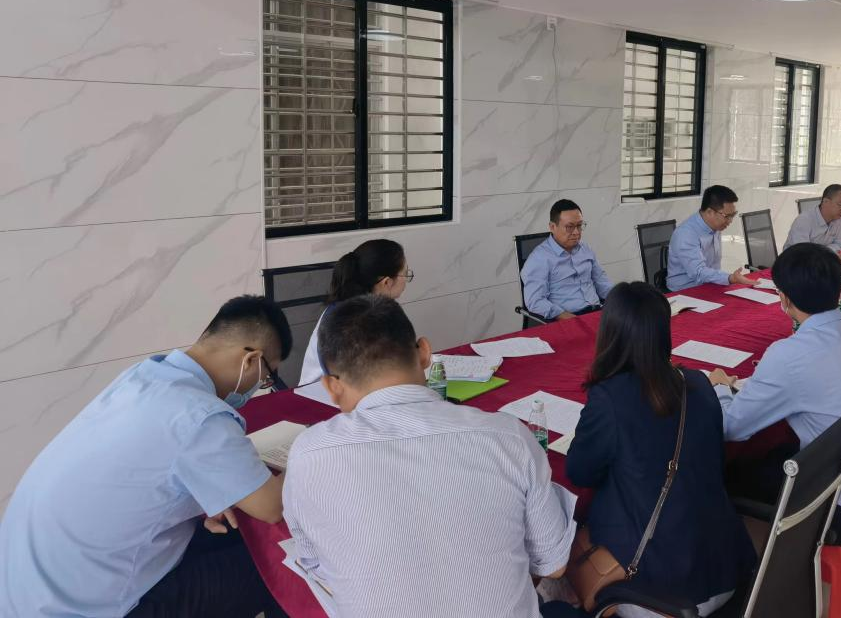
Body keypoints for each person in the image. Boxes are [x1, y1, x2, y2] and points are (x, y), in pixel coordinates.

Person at [283, 295, 578, 618]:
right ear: (425, 352)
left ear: (331, 385)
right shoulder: (509, 438)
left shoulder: (307, 455)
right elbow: (553, 565)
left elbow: (315, 564)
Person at [0, 296, 292, 618]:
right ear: (251, 360)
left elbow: (143, 470)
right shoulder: (200, 415)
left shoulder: (142, 376)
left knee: (225, 534)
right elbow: (271, 507)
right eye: (266, 377)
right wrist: (308, 451)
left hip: (25, 590)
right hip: (85, 609)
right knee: (279, 561)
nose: (259, 387)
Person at [567, 282, 756, 617]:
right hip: (726, 570)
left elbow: (579, 473)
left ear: (609, 334)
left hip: (659, 593)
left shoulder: (609, 398)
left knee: (563, 557)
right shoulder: (698, 382)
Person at [708, 243, 841, 546]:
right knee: (779, 451)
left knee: (724, 472)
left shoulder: (790, 354)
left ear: (784, 298)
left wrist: (721, 386)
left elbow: (731, 428)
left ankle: (745, 563)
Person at [296, 238, 410, 406]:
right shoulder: (351, 322)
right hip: (324, 403)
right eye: (405, 274)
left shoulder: (366, 309)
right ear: (387, 282)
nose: (407, 279)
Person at [521, 199, 614, 321]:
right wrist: (566, 317)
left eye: (579, 226)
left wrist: (622, 301)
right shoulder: (539, 258)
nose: (576, 232)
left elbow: (602, 283)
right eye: (570, 227)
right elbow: (535, 301)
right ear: (552, 227)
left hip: (597, 312)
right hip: (568, 318)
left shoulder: (585, 249)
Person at [666, 184, 755, 291]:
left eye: (733, 215)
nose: (730, 221)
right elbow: (698, 272)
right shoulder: (686, 234)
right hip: (684, 292)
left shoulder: (715, 226)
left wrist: (725, 279)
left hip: (709, 286)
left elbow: (714, 267)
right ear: (709, 212)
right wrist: (729, 278)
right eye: (727, 216)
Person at [784, 183, 841, 265]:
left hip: (821, 261)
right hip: (795, 264)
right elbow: (803, 252)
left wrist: (828, 254)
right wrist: (830, 254)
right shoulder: (804, 220)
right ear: (825, 201)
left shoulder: (839, 217)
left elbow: (839, 243)